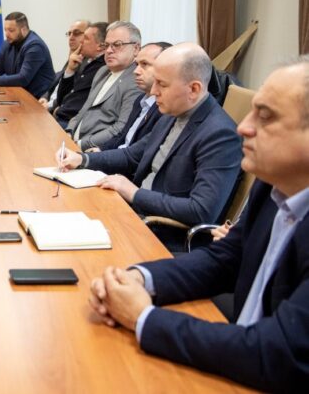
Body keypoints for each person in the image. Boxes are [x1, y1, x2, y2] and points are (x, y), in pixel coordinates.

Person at [87, 61, 309, 392]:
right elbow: (225, 259)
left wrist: (144, 317)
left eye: (265, 117)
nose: (243, 127)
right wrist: (139, 278)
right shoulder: (273, 185)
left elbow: (279, 352)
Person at [58, 43, 242, 250]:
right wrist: (82, 159)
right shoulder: (173, 112)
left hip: (160, 234)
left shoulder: (221, 135)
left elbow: (201, 210)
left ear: (194, 89)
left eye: (162, 85)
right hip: (134, 214)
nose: (153, 92)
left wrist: (134, 193)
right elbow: (132, 156)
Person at [65, 21, 142, 150]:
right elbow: (84, 110)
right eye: (107, 45)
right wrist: (68, 132)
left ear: (136, 49)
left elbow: (120, 128)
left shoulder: (136, 80)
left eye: (117, 45)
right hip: (72, 141)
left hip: (93, 150)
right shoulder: (103, 71)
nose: (109, 50)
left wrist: (79, 144)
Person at [92, 42, 171, 151]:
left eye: (144, 64)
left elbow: (136, 154)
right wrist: (99, 150)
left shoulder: (166, 108)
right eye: (136, 64)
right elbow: (122, 136)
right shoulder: (140, 100)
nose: (136, 71)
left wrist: (92, 158)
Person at [0, 12, 55, 98]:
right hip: (19, 95)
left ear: (24, 30)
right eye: (5, 30)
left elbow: (23, 79)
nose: (6, 34)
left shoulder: (35, 47)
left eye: (11, 30)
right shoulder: (8, 43)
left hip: (40, 99)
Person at [50, 22, 109, 128]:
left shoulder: (104, 68)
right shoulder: (85, 61)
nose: (81, 41)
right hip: (61, 116)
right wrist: (70, 70)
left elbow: (83, 104)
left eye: (86, 38)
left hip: (71, 123)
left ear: (100, 46)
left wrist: (60, 110)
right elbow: (61, 97)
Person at [39, 19, 89, 111]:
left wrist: (49, 105)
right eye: (69, 34)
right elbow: (57, 81)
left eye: (76, 33)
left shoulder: (88, 64)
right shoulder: (73, 55)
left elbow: (71, 93)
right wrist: (45, 97)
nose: (71, 37)